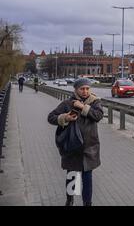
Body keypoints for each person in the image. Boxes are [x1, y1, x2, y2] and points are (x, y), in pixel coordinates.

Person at [47, 78, 103, 206]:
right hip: (72, 146)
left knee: (87, 177)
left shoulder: (95, 102)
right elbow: (51, 117)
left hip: (90, 146)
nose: (85, 91)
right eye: (82, 89)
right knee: (73, 176)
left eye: (87, 88)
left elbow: (98, 116)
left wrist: (83, 107)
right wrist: (65, 117)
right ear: (76, 89)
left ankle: (87, 203)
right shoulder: (67, 103)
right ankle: (70, 200)